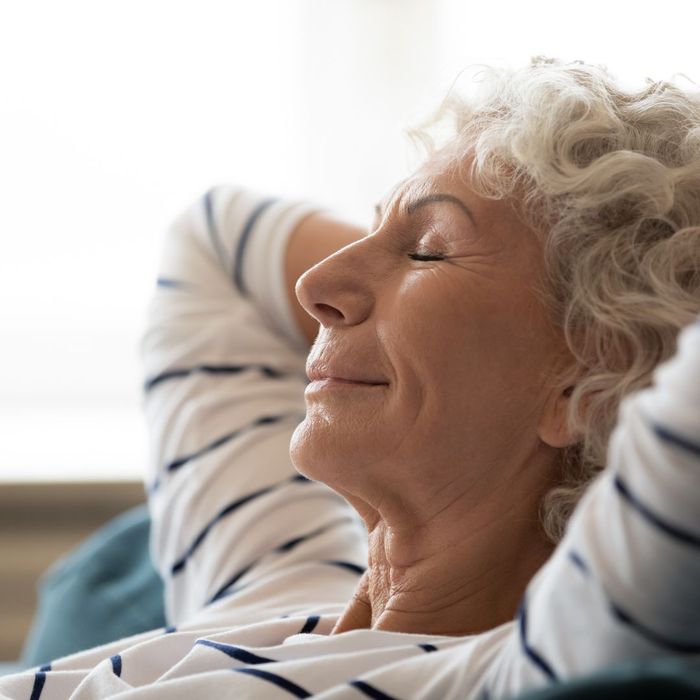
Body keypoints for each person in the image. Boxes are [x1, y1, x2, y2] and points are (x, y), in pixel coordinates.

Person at [1, 56, 699, 700]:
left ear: (588, 383)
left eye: (428, 252)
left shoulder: (515, 669)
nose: (316, 285)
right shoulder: (283, 576)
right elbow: (213, 244)